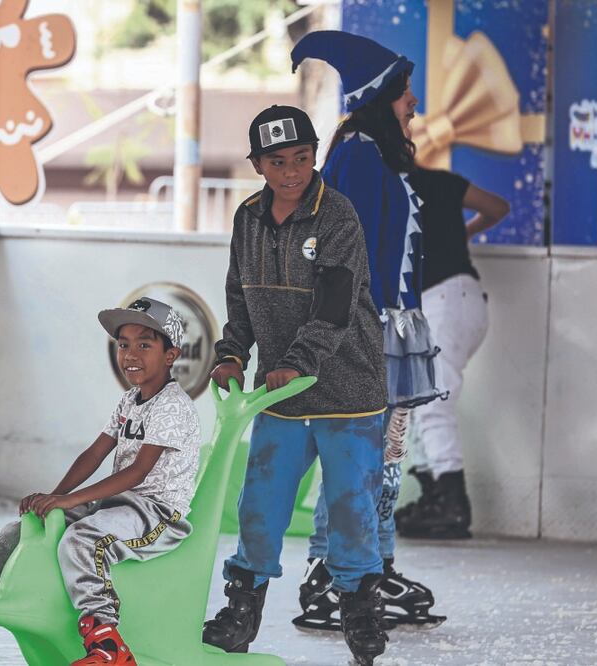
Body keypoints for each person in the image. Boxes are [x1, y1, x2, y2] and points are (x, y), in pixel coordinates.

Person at [0, 298, 201, 666]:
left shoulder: (173, 404)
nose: (130, 354)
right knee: (16, 532)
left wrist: (70, 502)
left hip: (157, 513)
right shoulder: (129, 401)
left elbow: (137, 472)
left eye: (144, 344)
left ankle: (109, 646)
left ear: (171, 355)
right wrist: (55, 498)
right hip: (118, 504)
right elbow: (94, 454)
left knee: (83, 540)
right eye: (123, 344)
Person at [200, 104, 390, 664]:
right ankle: (242, 609)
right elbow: (240, 296)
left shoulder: (337, 215)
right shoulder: (248, 218)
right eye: (278, 161)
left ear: (314, 157)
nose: (291, 172)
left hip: (347, 389)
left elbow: (335, 305)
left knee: (350, 506)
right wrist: (232, 353)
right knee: (259, 503)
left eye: (302, 158)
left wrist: (298, 361)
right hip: (281, 396)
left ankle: (359, 609)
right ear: (257, 165)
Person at [290, 30, 447, 633]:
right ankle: (331, 573)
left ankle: (373, 566)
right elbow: (339, 253)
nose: (415, 103)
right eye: (407, 92)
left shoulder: (375, 153)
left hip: (391, 329)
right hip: (363, 330)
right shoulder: (357, 153)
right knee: (355, 458)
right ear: (383, 95)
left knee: (383, 458)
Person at [394, 168, 510, 539]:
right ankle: (434, 497)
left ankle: (451, 501)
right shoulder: (440, 181)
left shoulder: (387, 188)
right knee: (417, 400)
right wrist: (466, 231)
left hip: (443, 300)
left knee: (430, 402)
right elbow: (497, 207)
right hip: (463, 299)